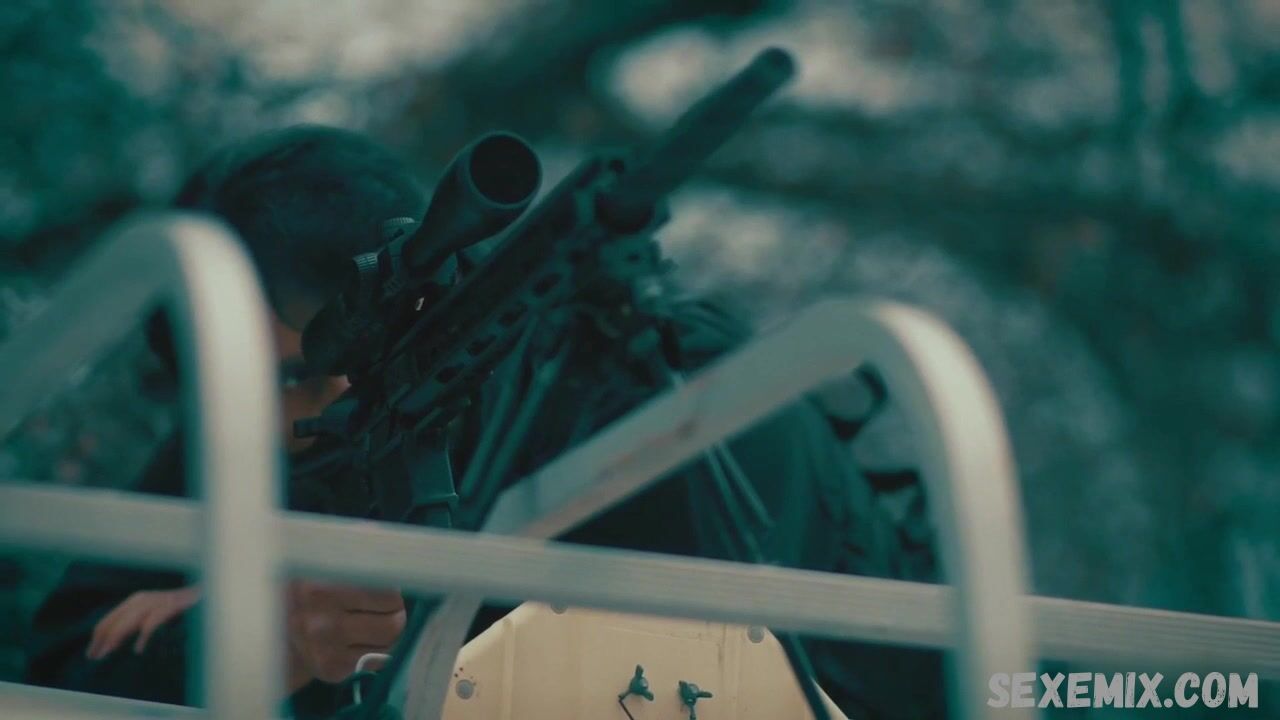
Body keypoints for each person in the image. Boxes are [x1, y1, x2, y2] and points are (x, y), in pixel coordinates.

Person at [25, 126, 945, 719]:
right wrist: (255, 628)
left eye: (303, 379)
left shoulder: (655, 408)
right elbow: (66, 667)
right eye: (234, 385)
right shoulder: (267, 411)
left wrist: (314, 623)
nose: (271, 428)